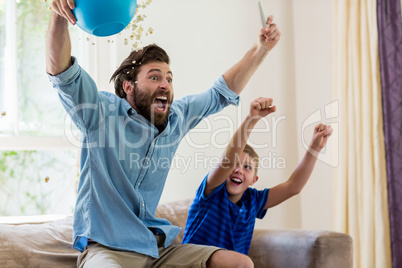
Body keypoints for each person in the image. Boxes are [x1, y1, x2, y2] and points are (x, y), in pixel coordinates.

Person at [46, 1, 281, 267]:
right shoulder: (100, 113)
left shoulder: (176, 117)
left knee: (240, 263)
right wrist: (58, 16)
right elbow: (63, 73)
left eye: (169, 79)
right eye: (155, 77)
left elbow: (219, 93)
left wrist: (261, 49)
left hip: (156, 250)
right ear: (129, 87)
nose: (166, 85)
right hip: (107, 250)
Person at [182, 97, 333, 255]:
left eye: (247, 167)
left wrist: (315, 148)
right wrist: (251, 120)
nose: (238, 170)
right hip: (195, 262)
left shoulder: (253, 201)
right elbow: (229, 157)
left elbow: (293, 186)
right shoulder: (212, 190)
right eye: (235, 164)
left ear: (254, 180)